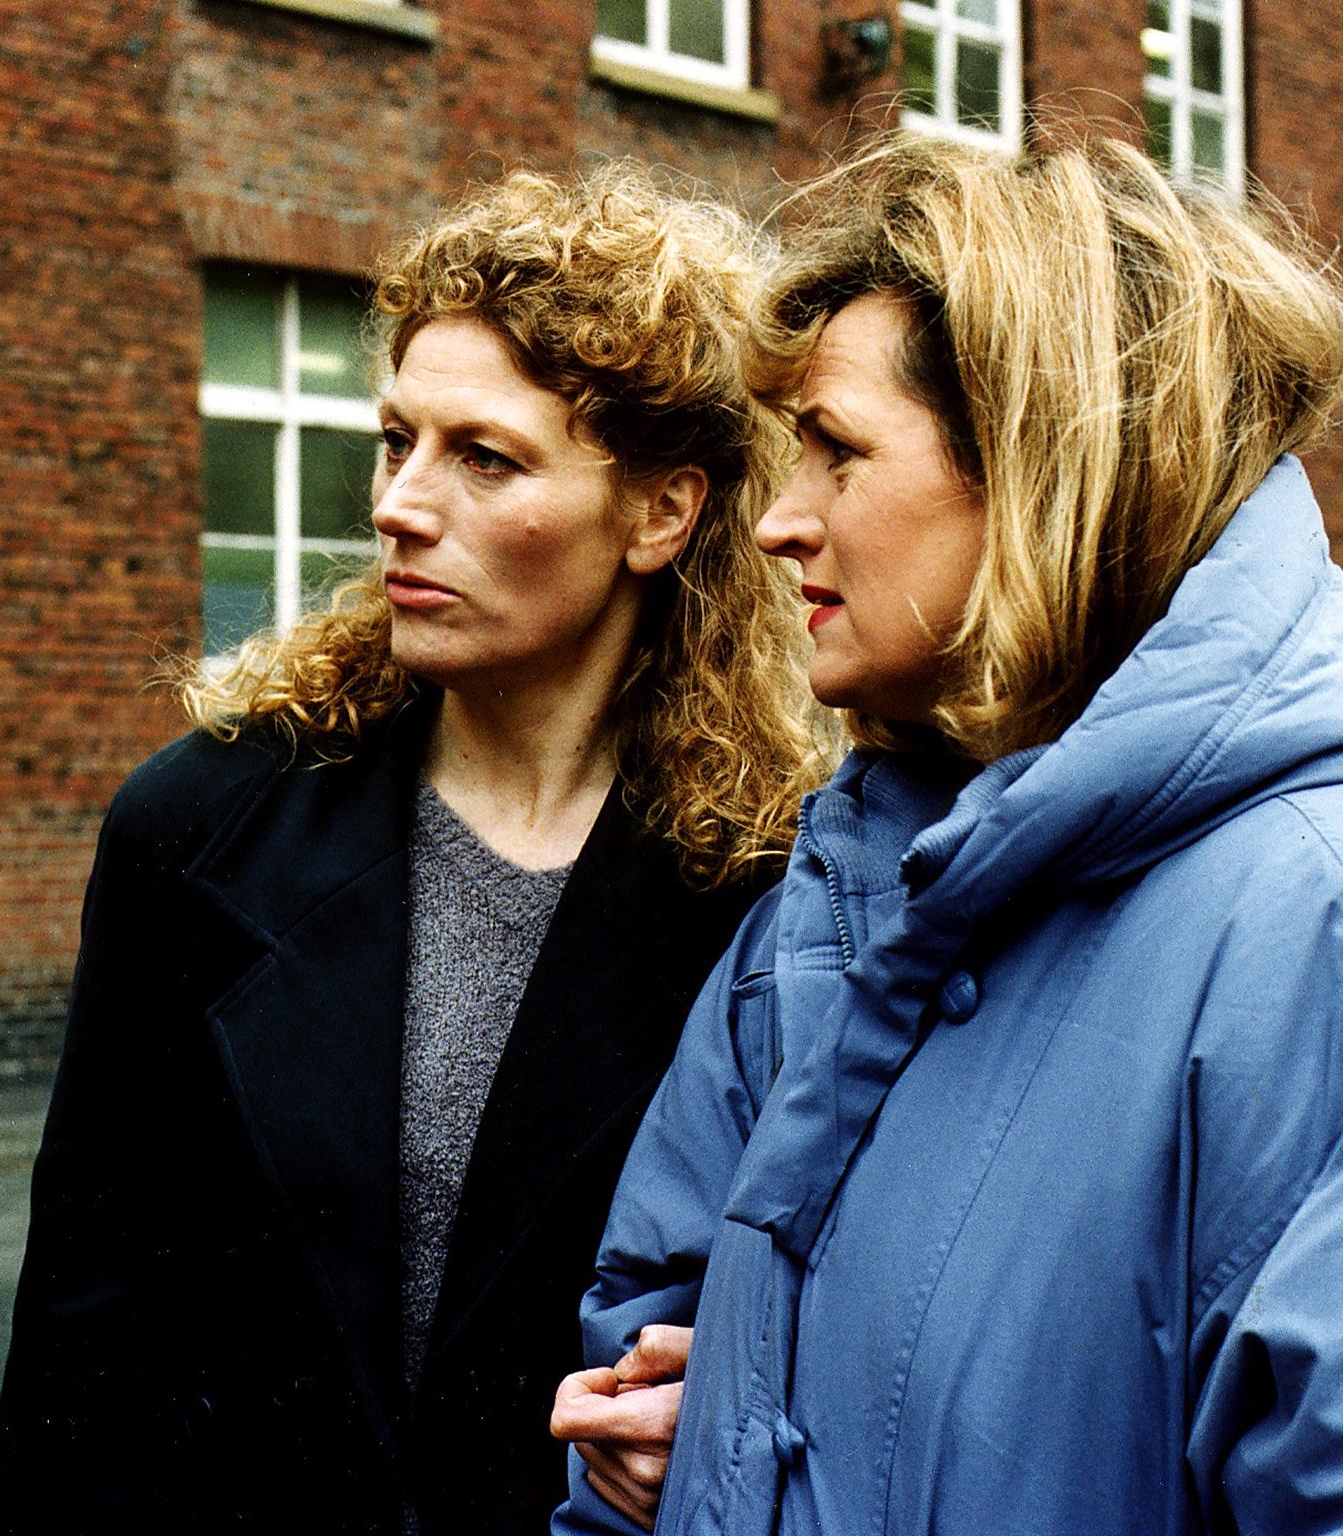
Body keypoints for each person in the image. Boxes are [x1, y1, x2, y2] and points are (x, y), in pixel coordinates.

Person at [0, 166, 816, 1536]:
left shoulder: (774, 892)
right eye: (395, 441)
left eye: (484, 458)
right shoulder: (196, 831)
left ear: (664, 512)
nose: (401, 505)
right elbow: (85, 1354)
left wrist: (713, 1409)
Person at [550, 133, 1343, 1536]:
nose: (780, 525)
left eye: (838, 453)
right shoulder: (846, 881)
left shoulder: (1307, 926)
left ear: (1048, 470)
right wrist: (675, 1432)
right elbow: (650, 1309)